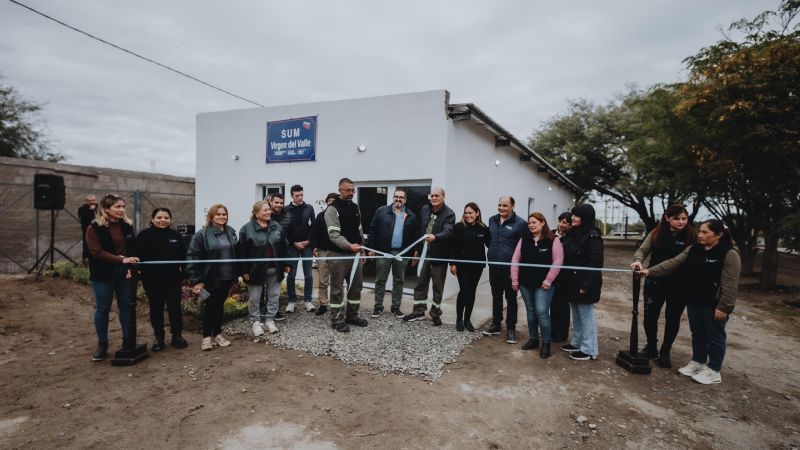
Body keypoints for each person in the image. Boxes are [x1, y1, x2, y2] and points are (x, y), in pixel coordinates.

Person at [640, 219, 740, 385]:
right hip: (694, 300)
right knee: (698, 333)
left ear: (719, 234)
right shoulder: (693, 249)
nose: (699, 235)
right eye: (699, 231)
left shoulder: (729, 254)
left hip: (714, 304)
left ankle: (714, 369)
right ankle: (697, 361)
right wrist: (649, 272)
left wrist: (724, 307)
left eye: (705, 232)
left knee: (714, 336)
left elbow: (730, 284)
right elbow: (673, 263)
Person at [630, 204, 697, 368]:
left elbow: (678, 262)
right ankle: (651, 347)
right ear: (667, 218)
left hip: (680, 284)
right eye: (677, 219)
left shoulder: (692, 235)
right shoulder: (656, 232)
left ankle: (665, 352)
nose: (682, 222)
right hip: (654, 281)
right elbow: (642, 250)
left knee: (673, 318)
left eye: (684, 218)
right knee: (650, 315)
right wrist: (638, 260)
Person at [85, 194, 139, 362]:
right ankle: (102, 343)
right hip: (103, 274)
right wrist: (121, 259)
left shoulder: (128, 225)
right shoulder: (94, 228)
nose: (122, 210)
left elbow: (133, 248)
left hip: (125, 273)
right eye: (118, 207)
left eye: (123, 207)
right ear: (106, 209)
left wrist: (133, 266)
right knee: (103, 308)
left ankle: (127, 340)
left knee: (126, 306)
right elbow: (96, 252)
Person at [132, 207, 188, 351]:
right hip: (152, 280)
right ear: (152, 219)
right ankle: (159, 337)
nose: (163, 220)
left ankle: (177, 336)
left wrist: (185, 274)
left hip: (173, 279)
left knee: (175, 308)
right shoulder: (144, 236)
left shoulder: (176, 236)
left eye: (166, 218)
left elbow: (184, 258)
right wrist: (136, 273)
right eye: (159, 217)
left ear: (170, 220)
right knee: (156, 308)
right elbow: (135, 256)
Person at [511, 212, 563, 359]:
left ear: (542, 223)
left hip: (544, 284)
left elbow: (558, 261)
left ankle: (546, 343)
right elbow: (515, 259)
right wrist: (515, 280)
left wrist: (549, 279)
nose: (531, 225)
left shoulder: (553, 240)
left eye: (534, 222)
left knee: (542, 312)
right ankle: (534, 339)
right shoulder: (524, 239)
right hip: (525, 283)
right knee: (531, 311)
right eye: (529, 223)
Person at [186, 204, 238, 351]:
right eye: (218, 214)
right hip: (210, 277)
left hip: (227, 276)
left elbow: (236, 253)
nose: (222, 217)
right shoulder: (201, 234)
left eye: (224, 214)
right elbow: (192, 257)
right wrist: (196, 280)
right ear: (211, 216)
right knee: (211, 307)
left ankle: (218, 334)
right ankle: (207, 337)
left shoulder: (230, 232)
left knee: (219, 306)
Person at [403, 187, 455, 325]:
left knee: (437, 286)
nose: (434, 198)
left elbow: (448, 231)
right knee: (420, 283)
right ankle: (418, 312)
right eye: (432, 196)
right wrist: (416, 250)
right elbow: (419, 230)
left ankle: (435, 313)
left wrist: (436, 237)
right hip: (424, 253)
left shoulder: (449, 214)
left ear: (443, 197)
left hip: (439, 255)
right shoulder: (425, 209)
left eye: (437, 196)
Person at [239, 200, 291, 337]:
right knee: (255, 298)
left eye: (269, 209)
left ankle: (269, 319)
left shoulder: (277, 226)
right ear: (256, 213)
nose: (269, 212)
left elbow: (284, 247)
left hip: (275, 269)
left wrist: (287, 263)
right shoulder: (246, 229)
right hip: (255, 270)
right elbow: (242, 252)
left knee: (274, 295)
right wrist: (244, 270)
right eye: (265, 210)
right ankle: (255, 321)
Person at [325, 178, 369, 332]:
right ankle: (336, 319)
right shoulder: (332, 209)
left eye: (353, 190)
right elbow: (334, 235)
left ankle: (352, 315)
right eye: (348, 190)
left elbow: (359, 230)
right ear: (340, 190)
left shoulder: (355, 207)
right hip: (338, 255)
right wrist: (350, 246)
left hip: (355, 255)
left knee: (356, 286)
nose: (351, 193)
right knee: (337, 288)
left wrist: (361, 249)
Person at [560, 204, 604, 361]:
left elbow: (595, 262)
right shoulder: (573, 233)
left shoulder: (593, 236)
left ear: (585, 218)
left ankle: (589, 349)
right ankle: (577, 342)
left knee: (586, 314)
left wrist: (586, 285)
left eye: (577, 215)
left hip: (585, 283)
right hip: (572, 281)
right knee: (577, 314)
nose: (573, 218)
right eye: (573, 215)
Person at [367, 188, 417, 318]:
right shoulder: (381, 211)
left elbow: (415, 236)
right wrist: (371, 248)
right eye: (396, 196)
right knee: (380, 280)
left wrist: (415, 252)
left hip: (402, 253)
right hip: (383, 252)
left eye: (401, 197)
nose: (398, 199)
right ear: (393, 198)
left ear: (405, 200)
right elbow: (372, 230)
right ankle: (378, 307)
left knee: (399, 281)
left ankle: (396, 307)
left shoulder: (411, 216)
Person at [483, 196, 527, 344]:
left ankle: (511, 328)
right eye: (499, 205)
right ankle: (496, 324)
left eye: (505, 206)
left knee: (511, 298)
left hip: (510, 269)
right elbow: (490, 240)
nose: (501, 208)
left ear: (512, 206)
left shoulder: (521, 224)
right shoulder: (492, 220)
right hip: (494, 266)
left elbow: (523, 248)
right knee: (496, 296)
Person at [449, 202, 490, 332]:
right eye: (466, 213)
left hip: (477, 266)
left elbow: (490, 244)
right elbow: (453, 247)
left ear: (477, 213)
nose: (468, 215)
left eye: (470, 213)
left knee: (472, 291)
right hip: (462, 265)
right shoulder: (459, 227)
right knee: (464, 290)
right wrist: (453, 263)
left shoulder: (483, 228)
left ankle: (467, 320)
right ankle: (459, 320)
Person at [284, 185, 317, 313]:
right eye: (297, 195)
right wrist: (294, 243)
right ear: (292, 196)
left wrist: (309, 241)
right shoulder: (286, 210)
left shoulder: (309, 208)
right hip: (293, 246)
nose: (300, 197)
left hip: (307, 245)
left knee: (308, 274)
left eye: (301, 195)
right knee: (291, 274)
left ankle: (308, 300)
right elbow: (285, 230)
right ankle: (291, 301)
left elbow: (314, 227)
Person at [310, 193, 337, 315]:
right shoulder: (320, 216)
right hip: (323, 252)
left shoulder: (339, 217)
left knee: (337, 280)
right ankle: (323, 304)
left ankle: (336, 303)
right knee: (322, 281)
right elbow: (314, 232)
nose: (331, 202)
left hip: (337, 253)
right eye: (329, 200)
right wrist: (314, 246)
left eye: (333, 200)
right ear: (327, 202)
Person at [267, 192, 290, 321]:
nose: (279, 205)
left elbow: (287, 239)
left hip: (280, 256)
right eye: (276, 202)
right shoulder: (264, 214)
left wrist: (287, 262)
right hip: (265, 257)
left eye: (281, 203)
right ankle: (261, 312)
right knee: (262, 288)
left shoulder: (287, 215)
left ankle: (274, 311)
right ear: (270, 202)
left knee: (275, 287)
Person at [550, 212, 572, 342]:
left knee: (563, 305)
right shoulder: (552, 233)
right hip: (552, 275)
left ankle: (562, 333)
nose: (560, 224)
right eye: (559, 221)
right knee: (552, 304)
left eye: (564, 222)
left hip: (564, 276)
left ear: (570, 225)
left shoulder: (570, 237)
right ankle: (552, 330)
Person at [78, 194, 97, 261]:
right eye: (90, 200)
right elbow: (83, 219)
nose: (92, 202)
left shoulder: (98, 208)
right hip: (87, 229)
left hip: (98, 230)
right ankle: (86, 258)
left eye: (93, 200)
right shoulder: (82, 209)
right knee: (87, 243)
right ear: (86, 201)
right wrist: (90, 210)